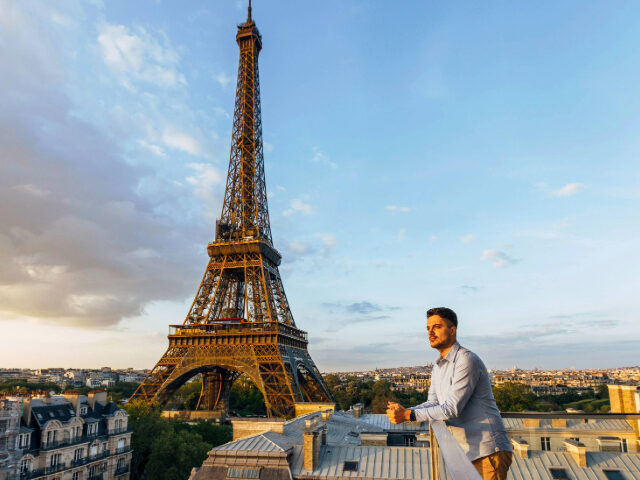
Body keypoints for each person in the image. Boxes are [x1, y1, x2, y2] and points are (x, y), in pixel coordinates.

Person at [386, 307, 512, 480]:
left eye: (437, 327)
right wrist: (407, 410)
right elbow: (433, 402)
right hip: (468, 453)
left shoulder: (466, 359)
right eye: (428, 328)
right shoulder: (438, 366)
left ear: (452, 330)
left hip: (488, 451)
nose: (430, 332)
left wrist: (408, 415)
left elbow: (452, 409)